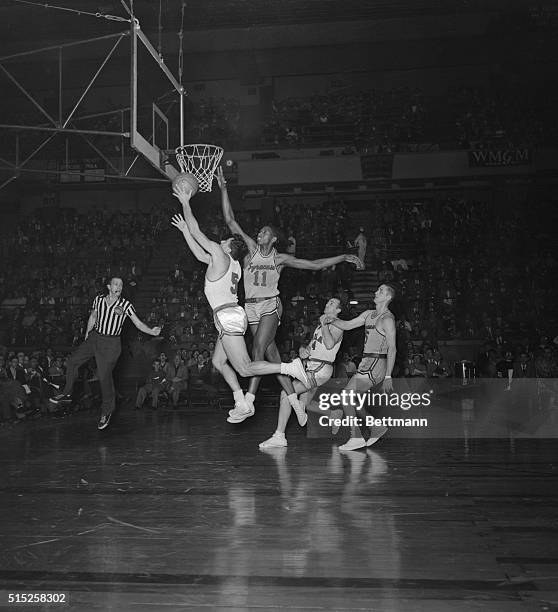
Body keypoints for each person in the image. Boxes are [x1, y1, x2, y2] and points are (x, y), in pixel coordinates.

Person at [216, 166, 362, 420]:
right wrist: (224, 188)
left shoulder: (279, 258)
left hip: (270, 306)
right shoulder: (249, 249)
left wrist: (343, 256)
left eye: (265, 232)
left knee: (258, 349)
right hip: (250, 306)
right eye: (260, 231)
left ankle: (248, 401)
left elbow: (314, 264)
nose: (259, 233)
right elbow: (230, 220)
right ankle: (295, 401)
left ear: (273, 240)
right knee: (272, 356)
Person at [171, 185, 313, 422]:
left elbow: (199, 233)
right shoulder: (231, 263)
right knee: (218, 361)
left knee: (246, 368)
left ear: (227, 247)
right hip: (229, 315)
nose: (220, 241)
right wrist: (185, 230)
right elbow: (198, 254)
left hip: (228, 316)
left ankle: (288, 368)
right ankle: (240, 400)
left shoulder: (219, 253)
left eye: (224, 240)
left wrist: (186, 203)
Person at [50, 277, 161, 430]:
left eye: (121, 285)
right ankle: (67, 393)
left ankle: (107, 412)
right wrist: (88, 334)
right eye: (116, 284)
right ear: (109, 286)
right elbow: (93, 316)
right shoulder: (99, 299)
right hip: (95, 337)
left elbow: (137, 322)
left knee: (104, 378)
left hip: (111, 344)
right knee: (72, 361)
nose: (119, 286)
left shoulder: (125, 305)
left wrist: (151, 331)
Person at [259, 297, 344, 449]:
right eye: (328, 301)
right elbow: (309, 350)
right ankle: (333, 414)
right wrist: (303, 350)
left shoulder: (337, 325)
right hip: (312, 365)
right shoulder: (320, 327)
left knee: (287, 393)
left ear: (338, 310)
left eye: (332, 303)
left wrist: (324, 323)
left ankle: (279, 435)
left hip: (321, 368)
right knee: (305, 404)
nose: (327, 303)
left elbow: (330, 344)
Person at [324, 283, 397, 451]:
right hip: (367, 362)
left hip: (377, 364)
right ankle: (376, 427)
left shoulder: (387, 318)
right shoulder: (369, 314)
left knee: (346, 397)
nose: (376, 291)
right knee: (353, 400)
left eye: (381, 291)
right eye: (378, 289)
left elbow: (392, 348)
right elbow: (348, 325)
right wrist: (332, 319)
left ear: (388, 297)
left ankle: (355, 436)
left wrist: (388, 375)